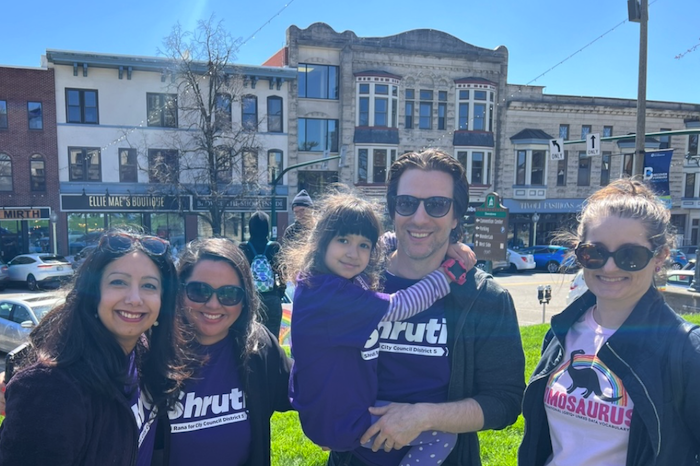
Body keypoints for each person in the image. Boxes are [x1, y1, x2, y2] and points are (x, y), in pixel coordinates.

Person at [327, 149, 526, 466]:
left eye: (436, 205)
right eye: (407, 203)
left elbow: (504, 401)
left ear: (456, 216)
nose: (419, 218)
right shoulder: (352, 281)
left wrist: (423, 417)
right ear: (394, 210)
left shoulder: (485, 297)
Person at [519, 179, 700, 466]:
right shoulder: (562, 332)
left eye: (631, 255)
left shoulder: (686, 350)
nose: (610, 267)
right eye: (595, 253)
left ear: (660, 257)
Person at [284, 193, 474, 465]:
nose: (353, 253)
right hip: (341, 421)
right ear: (321, 241)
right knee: (443, 437)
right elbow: (402, 305)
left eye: (363, 244)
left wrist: (421, 240)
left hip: (336, 410)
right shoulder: (331, 295)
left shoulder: (323, 278)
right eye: (343, 240)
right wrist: (446, 274)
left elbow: (380, 243)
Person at [0, 230, 186, 466]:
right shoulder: (48, 390)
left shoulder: (142, 353)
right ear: (93, 292)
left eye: (149, 286)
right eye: (118, 282)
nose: (135, 298)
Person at [154, 238, 292, 466]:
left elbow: (312, 392)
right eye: (199, 291)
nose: (213, 305)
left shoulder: (259, 347)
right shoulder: (153, 353)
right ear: (179, 291)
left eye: (229, 294)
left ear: (245, 299)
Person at [240, 211, 285, 339]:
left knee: (250, 339)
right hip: (272, 298)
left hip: (251, 300)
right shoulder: (275, 247)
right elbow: (282, 272)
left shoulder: (244, 248)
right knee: (273, 339)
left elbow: (239, 274)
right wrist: (280, 292)